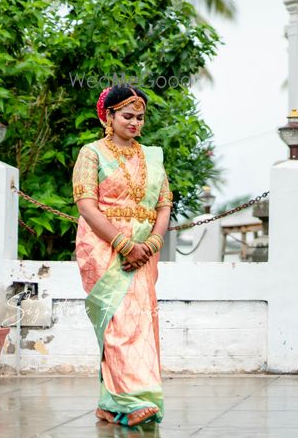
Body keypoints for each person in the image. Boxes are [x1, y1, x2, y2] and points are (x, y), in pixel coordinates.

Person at [72, 86, 172, 427]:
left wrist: (152, 243)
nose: (135, 123)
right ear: (108, 117)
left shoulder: (153, 156)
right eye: (127, 116)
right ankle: (129, 401)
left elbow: (164, 203)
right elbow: (86, 205)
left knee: (141, 321)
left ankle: (115, 401)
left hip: (145, 250)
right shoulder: (92, 153)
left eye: (140, 117)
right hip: (103, 246)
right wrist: (124, 245)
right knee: (117, 322)